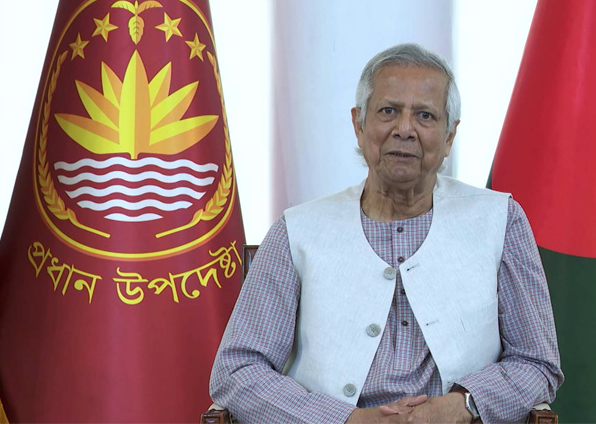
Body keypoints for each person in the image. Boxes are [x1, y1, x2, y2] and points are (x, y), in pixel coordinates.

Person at [210, 43, 563, 423]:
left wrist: (458, 408)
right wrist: (345, 420)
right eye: (388, 111)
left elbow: (536, 364)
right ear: (359, 124)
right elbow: (237, 371)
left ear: (449, 136)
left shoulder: (501, 220)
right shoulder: (297, 231)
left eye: (425, 115)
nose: (404, 130)